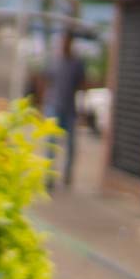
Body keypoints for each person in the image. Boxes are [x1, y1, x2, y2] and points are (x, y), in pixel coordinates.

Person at [45, 31, 87, 187]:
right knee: (51, 143)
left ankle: (67, 176)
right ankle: (49, 177)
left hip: (70, 109)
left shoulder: (76, 64)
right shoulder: (54, 61)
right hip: (53, 107)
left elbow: (82, 86)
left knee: (70, 146)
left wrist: (82, 109)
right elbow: (47, 82)